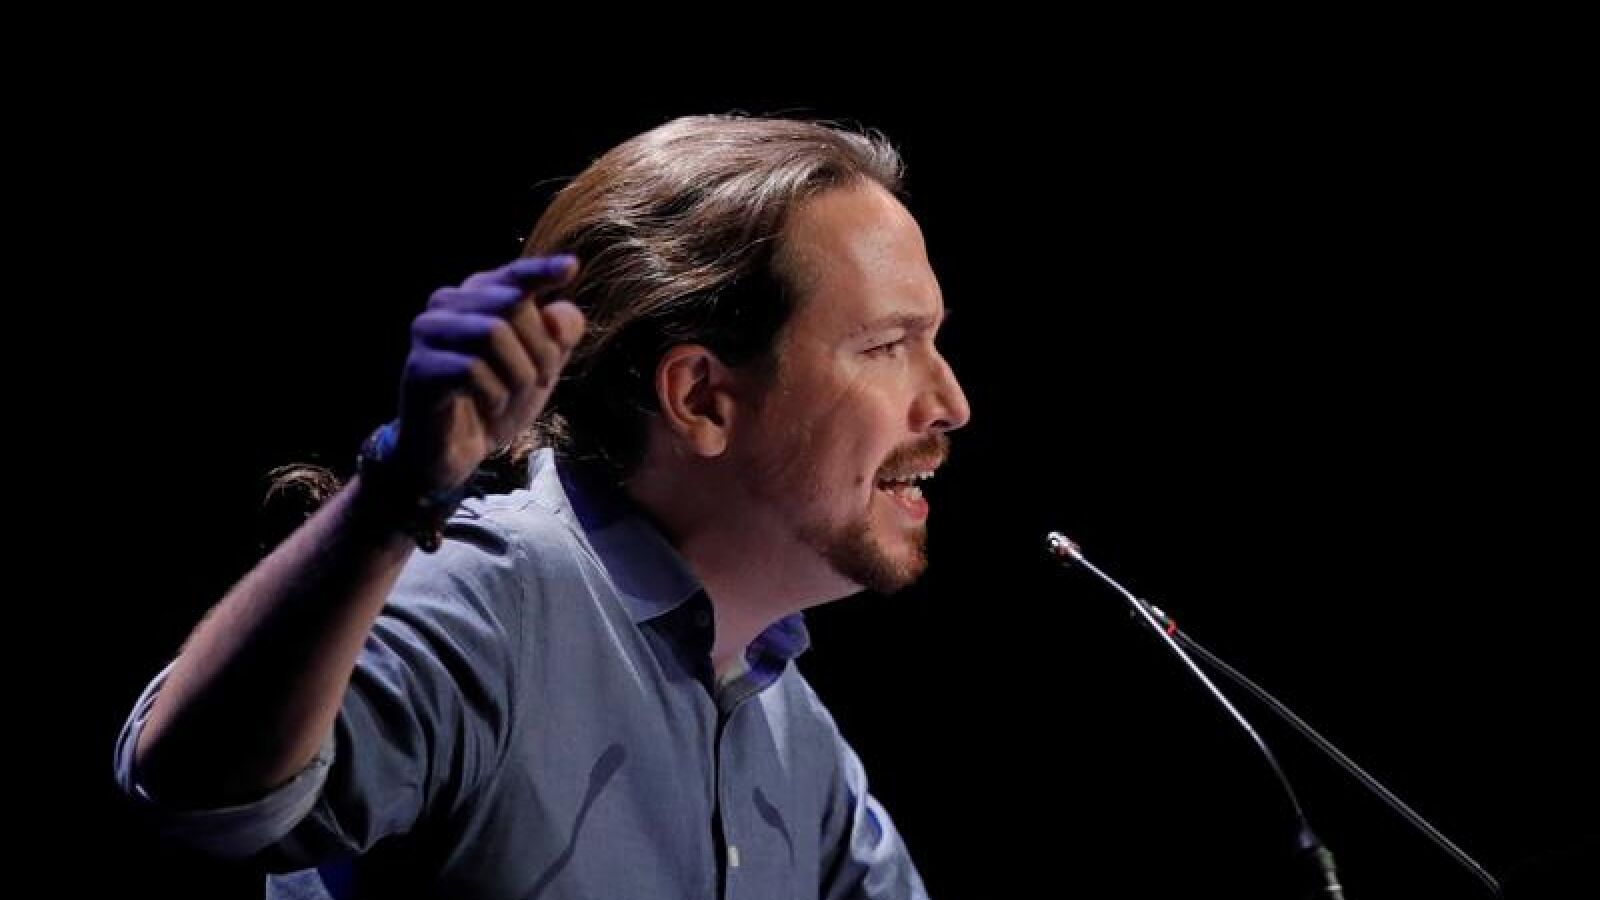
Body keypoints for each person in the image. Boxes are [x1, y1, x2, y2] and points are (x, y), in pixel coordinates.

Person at [115, 114, 970, 899]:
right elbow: (203, 795)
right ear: (702, 398)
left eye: (933, 339)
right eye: (887, 345)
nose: (950, 404)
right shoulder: (487, 602)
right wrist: (393, 495)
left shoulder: (791, 733)